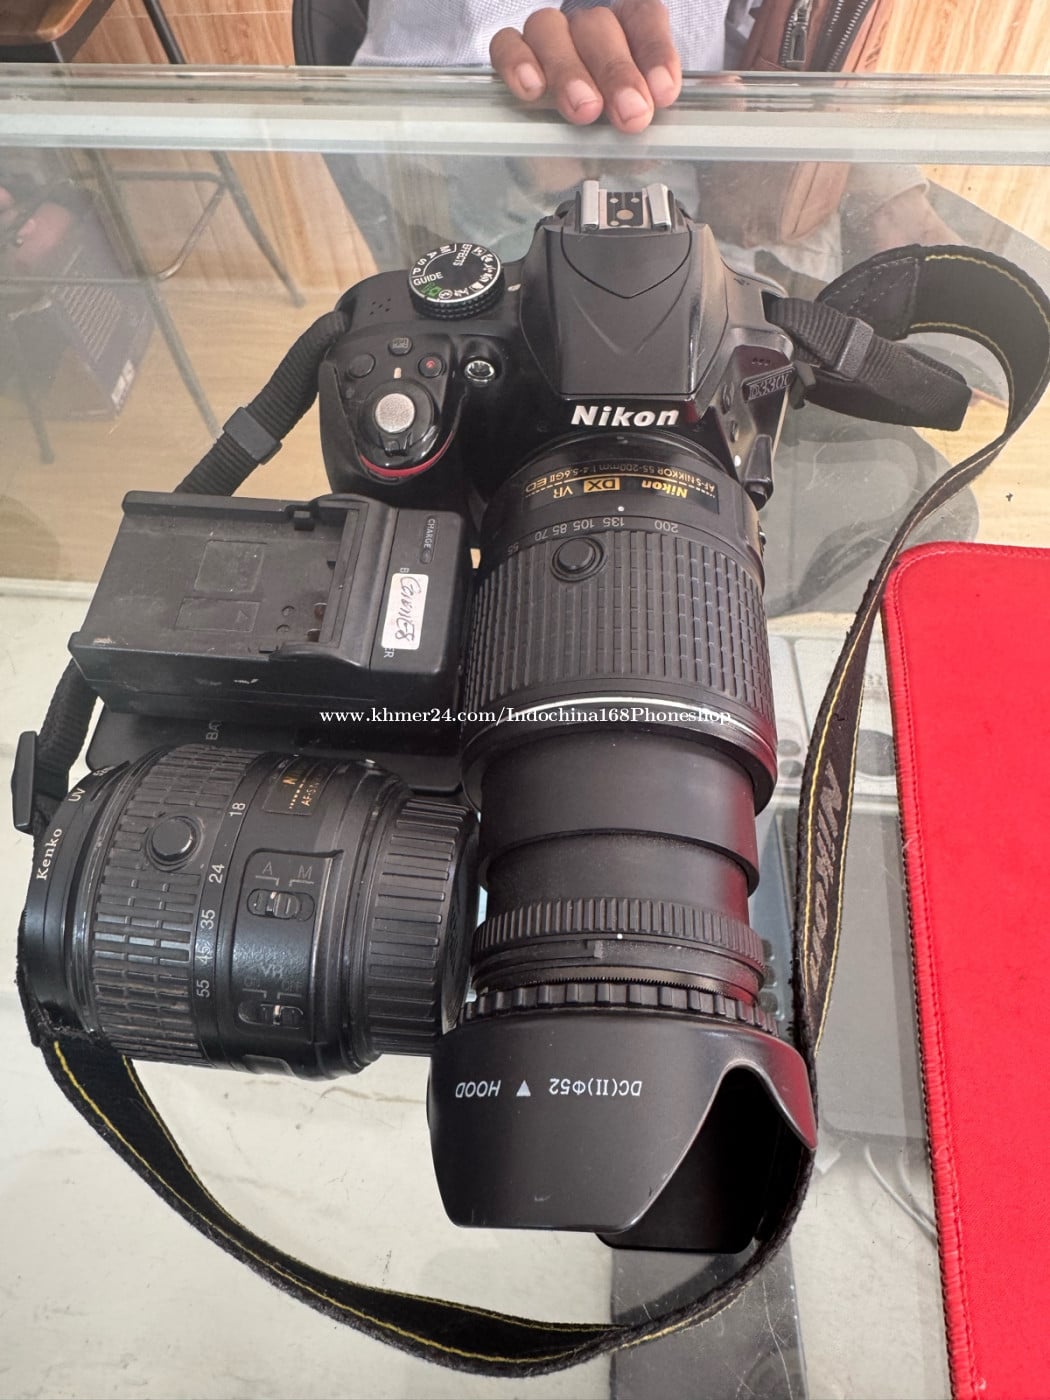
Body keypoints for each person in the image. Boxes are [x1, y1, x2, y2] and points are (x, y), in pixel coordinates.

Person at [334, 0, 956, 277]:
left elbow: (782, 45)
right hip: (527, 265)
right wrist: (523, 165)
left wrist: (882, 189)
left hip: (735, 253)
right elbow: (401, 157)